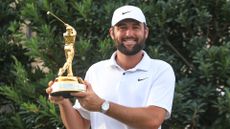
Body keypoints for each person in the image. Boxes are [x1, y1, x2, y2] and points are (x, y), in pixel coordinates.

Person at [46, 5, 175, 129]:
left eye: (136, 27)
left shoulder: (161, 70)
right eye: (122, 28)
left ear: (145, 32)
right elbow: (79, 126)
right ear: (112, 33)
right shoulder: (96, 71)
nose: (129, 33)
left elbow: (153, 120)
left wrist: (102, 106)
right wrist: (62, 102)